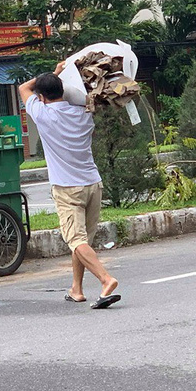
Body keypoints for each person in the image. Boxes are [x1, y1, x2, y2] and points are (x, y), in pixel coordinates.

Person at [19, 62, 120, 309]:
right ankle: (76, 289)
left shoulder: (42, 114)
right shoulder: (85, 112)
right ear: (63, 91)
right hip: (93, 184)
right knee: (82, 240)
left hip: (67, 188)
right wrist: (63, 79)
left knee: (76, 240)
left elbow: (23, 87)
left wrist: (54, 73)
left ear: (41, 97)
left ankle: (106, 280)